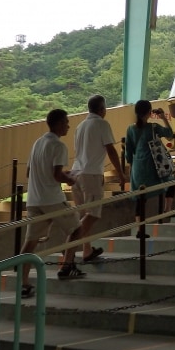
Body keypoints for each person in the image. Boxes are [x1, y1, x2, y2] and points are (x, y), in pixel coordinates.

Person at [20, 109, 86, 298]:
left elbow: (29, 173)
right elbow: (57, 175)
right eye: (66, 122)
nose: (68, 125)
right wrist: (70, 179)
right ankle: (67, 266)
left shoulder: (37, 143)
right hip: (53, 199)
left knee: (30, 243)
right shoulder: (58, 146)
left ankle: (23, 282)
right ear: (57, 124)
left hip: (34, 199)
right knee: (76, 229)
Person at [70, 94, 126, 262]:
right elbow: (111, 150)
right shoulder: (102, 124)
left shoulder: (80, 126)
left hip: (76, 173)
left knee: (84, 216)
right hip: (91, 174)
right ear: (102, 109)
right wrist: (121, 173)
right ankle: (69, 250)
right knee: (92, 214)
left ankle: (87, 250)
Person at [125, 100, 175, 232]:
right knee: (170, 180)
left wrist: (131, 169)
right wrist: (163, 117)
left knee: (140, 198)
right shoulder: (153, 127)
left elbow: (128, 153)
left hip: (137, 169)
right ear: (149, 113)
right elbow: (170, 134)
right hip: (154, 168)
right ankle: (167, 209)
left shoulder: (130, 129)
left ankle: (140, 230)